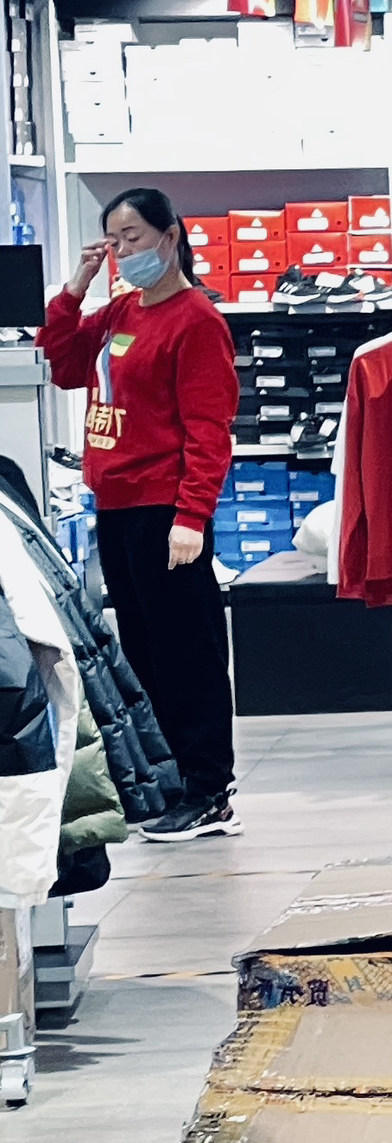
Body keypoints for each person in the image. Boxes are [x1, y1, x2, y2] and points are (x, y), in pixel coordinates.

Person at [41, 186, 241, 840]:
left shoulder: (196, 320)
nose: (124, 253)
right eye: (114, 241)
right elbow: (63, 364)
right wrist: (76, 288)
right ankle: (170, 781)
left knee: (188, 652)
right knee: (145, 652)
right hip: (118, 505)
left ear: (169, 236)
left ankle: (210, 790)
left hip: (165, 507)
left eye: (133, 238)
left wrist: (192, 516)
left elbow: (209, 429)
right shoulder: (122, 309)